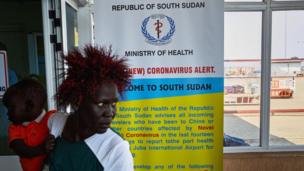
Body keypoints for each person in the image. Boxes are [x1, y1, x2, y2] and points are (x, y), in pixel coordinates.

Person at [47, 45, 133, 171]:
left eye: (113, 104)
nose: (110, 113)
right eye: (101, 104)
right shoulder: (56, 122)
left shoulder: (116, 149)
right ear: (77, 101)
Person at [2, 79, 56, 171]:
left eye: (11, 108)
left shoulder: (51, 118)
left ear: (29, 106)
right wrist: (42, 149)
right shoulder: (15, 128)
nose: (7, 113)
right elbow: (21, 150)